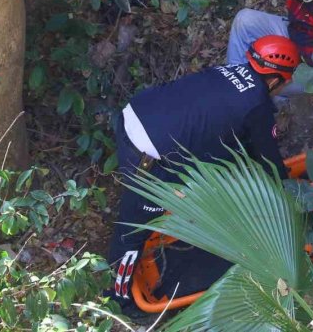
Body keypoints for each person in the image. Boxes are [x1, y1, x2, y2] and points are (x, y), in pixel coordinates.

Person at [106, 35, 301, 312]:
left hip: (136, 113)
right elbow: (271, 164)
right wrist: (288, 199)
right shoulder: (258, 105)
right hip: (146, 153)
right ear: (274, 79)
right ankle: (118, 297)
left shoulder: (228, 71)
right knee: (133, 229)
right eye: (287, 79)